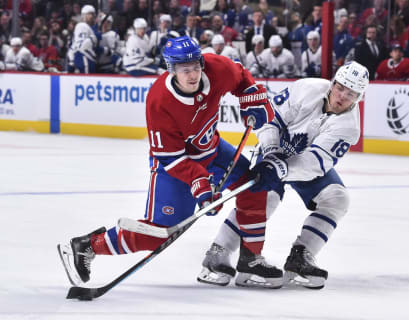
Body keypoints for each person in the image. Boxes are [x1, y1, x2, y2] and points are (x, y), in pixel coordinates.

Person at [58, 36, 281, 289]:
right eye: (185, 70)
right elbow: (171, 157)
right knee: (161, 234)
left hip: (214, 150)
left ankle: (250, 260)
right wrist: (200, 183)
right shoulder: (159, 100)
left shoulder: (216, 68)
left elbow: (241, 76)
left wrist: (252, 98)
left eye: (196, 67)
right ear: (172, 69)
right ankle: (89, 246)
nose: (193, 74)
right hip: (175, 167)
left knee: (254, 186)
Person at [199, 61, 369, 289]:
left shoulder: (349, 127)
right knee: (264, 197)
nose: (341, 97)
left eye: (351, 94)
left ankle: (301, 256)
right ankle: (218, 251)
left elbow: (315, 162)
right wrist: (270, 153)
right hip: (274, 148)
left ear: (358, 98)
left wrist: (281, 168)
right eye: (340, 88)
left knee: (337, 198)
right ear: (333, 83)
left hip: (302, 164)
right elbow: (271, 118)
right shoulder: (307, 87)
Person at [70, 5, 109, 74]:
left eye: (93, 14)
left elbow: (93, 47)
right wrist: (95, 37)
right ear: (84, 15)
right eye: (89, 14)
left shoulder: (90, 28)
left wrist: (103, 49)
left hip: (90, 59)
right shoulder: (82, 26)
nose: (92, 16)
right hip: (84, 58)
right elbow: (83, 46)